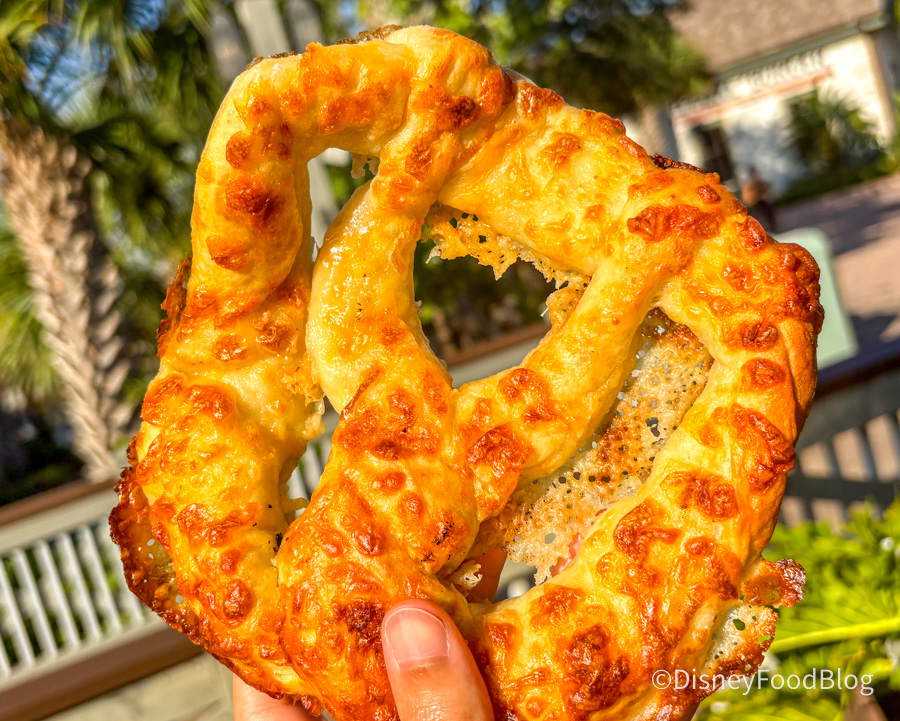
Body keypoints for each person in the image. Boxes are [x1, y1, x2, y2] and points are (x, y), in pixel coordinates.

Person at [741, 166, 777, 232]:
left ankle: (772, 229)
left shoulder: (758, 182)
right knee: (761, 218)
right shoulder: (750, 184)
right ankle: (767, 230)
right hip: (756, 204)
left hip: (762, 202)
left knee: (768, 216)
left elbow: (766, 189)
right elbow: (747, 196)